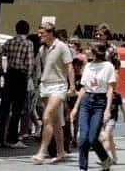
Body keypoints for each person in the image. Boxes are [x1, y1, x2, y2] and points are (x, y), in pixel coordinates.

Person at [32, 22, 76, 165]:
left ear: (50, 33)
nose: (39, 36)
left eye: (42, 33)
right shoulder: (42, 49)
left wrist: (72, 87)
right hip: (45, 86)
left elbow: (70, 67)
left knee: (47, 117)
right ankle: (61, 151)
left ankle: (42, 152)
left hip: (59, 86)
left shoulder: (62, 47)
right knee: (55, 121)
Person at [70, 42, 114, 171]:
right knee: (83, 139)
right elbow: (83, 88)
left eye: (90, 49)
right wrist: (75, 108)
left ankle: (105, 159)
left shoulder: (108, 66)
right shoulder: (88, 66)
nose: (87, 51)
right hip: (86, 100)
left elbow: (111, 89)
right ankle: (83, 168)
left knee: (93, 138)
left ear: (95, 51)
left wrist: (107, 110)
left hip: (100, 102)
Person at [0, 20, 35, 148]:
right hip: (21, 76)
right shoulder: (28, 44)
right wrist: (28, 76)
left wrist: (2, 71)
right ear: (27, 30)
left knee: (4, 107)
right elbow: (29, 63)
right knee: (17, 109)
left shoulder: (9, 42)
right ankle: (12, 138)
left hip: (10, 74)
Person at [100, 54, 125, 166]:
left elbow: (122, 108)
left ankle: (104, 158)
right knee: (110, 139)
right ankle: (115, 158)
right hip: (105, 118)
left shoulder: (117, 95)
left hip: (112, 118)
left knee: (106, 136)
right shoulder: (103, 94)